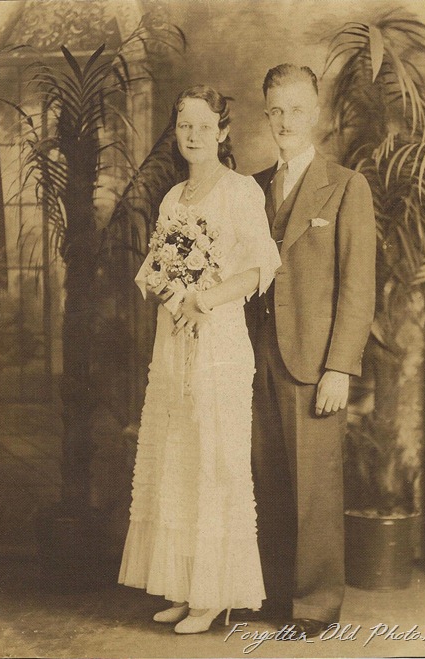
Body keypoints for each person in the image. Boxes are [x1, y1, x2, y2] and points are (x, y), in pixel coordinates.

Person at [118, 85, 281, 635]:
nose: (193, 135)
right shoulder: (172, 198)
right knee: (179, 459)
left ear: (222, 132)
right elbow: (155, 268)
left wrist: (202, 300)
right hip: (174, 339)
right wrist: (170, 293)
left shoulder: (240, 191)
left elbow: (258, 270)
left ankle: (213, 597)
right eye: (184, 126)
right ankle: (186, 588)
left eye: (204, 126)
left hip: (218, 340)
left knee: (216, 462)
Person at [250, 64, 376, 636]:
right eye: (276, 110)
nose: (285, 121)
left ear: (315, 114)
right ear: (266, 114)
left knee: (314, 489)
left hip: (313, 361)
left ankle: (315, 606)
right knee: (267, 480)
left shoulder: (346, 186)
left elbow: (358, 286)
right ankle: (273, 594)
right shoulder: (253, 187)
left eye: (296, 110)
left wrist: (339, 367)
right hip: (256, 358)